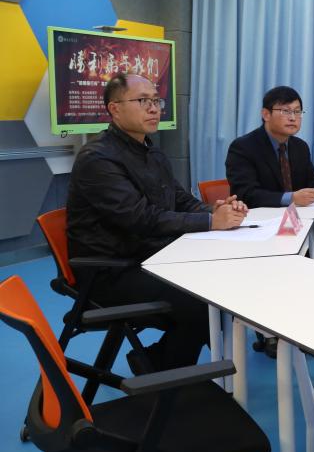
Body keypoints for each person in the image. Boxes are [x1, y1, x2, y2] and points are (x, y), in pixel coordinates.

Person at [67, 73, 247, 372]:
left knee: (223, 284)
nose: (154, 108)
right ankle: (163, 373)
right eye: (143, 101)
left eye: (156, 101)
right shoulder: (97, 159)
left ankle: (156, 361)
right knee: (204, 302)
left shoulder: (152, 151)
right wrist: (210, 221)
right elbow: (141, 219)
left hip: (152, 255)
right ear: (114, 109)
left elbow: (180, 199)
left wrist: (215, 210)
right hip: (111, 270)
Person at [226, 85, 314, 358]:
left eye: (298, 111)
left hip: (296, 226)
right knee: (289, 260)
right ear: (265, 114)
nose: (293, 117)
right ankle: (269, 330)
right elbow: (246, 192)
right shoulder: (243, 147)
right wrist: (290, 198)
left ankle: (311, 315)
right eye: (285, 111)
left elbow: (312, 178)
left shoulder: (299, 147)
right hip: (260, 231)